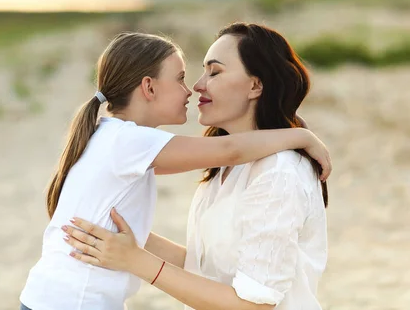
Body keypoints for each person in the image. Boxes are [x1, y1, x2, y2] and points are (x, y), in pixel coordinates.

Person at [21, 30, 331, 310]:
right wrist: (302, 136)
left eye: (214, 71)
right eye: (183, 78)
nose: (194, 87)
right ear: (148, 88)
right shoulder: (135, 144)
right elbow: (230, 152)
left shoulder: (277, 172)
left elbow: (252, 304)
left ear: (254, 85)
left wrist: (135, 253)